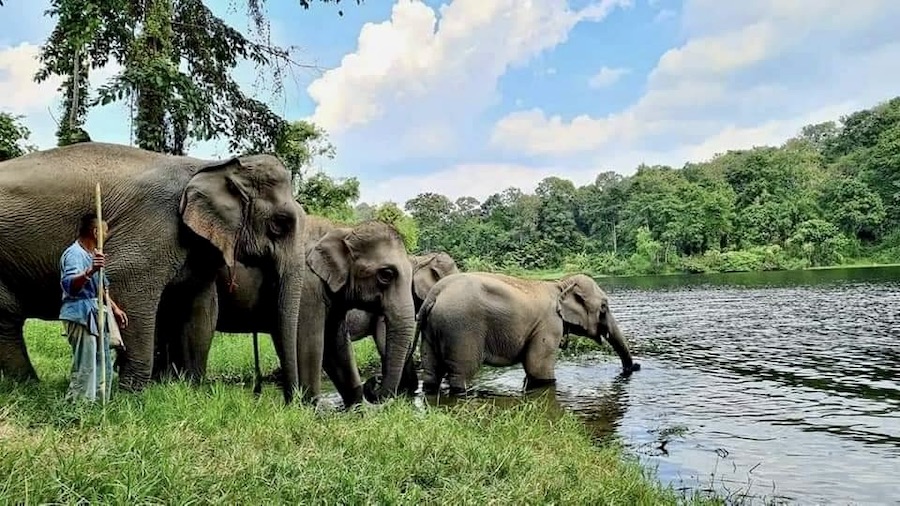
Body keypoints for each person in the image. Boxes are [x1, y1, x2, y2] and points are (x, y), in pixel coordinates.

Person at [59, 212, 128, 402]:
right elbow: (70, 286)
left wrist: (114, 308)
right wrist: (91, 270)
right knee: (86, 364)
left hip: (97, 314)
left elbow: (101, 288)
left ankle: (97, 403)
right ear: (96, 232)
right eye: (105, 231)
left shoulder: (94, 255)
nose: (107, 235)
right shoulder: (74, 254)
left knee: (102, 361)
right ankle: (79, 407)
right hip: (81, 315)